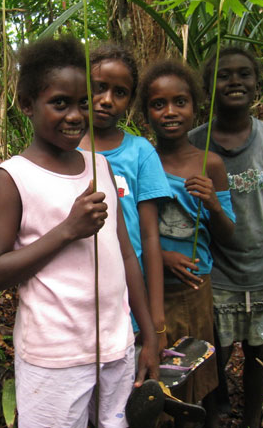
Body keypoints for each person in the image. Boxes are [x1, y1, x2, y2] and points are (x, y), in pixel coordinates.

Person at [0, 36, 159, 428]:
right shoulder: (14, 177)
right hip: (55, 358)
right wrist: (67, 230)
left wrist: (148, 334)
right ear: (27, 104)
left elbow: (126, 255)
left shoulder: (100, 166)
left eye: (82, 102)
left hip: (116, 347)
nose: (75, 115)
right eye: (60, 103)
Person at [188, 47, 263, 428]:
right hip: (216, 276)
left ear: (257, 84)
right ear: (208, 88)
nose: (235, 82)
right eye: (224, 75)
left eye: (244, 74)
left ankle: (252, 418)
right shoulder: (193, 143)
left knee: (259, 355)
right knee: (213, 358)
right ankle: (212, 415)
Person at [138, 60, 236, 427]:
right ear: (146, 112)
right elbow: (129, 230)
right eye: (158, 104)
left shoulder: (210, 163)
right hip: (150, 291)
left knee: (193, 380)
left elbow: (229, 235)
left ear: (195, 106)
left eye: (180, 102)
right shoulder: (140, 159)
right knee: (153, 379)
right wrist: (161, 256)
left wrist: (212, 202)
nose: (170, 112)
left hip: (195, 291)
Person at [78, 44, 172, 351]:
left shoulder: (140, 152)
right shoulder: (63, 149)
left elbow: (149, 235)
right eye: (99, 88)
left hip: (128, 299)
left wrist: (156, 318)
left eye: (120, 93)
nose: (107, 100)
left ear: (130, 101)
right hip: (74, 299)